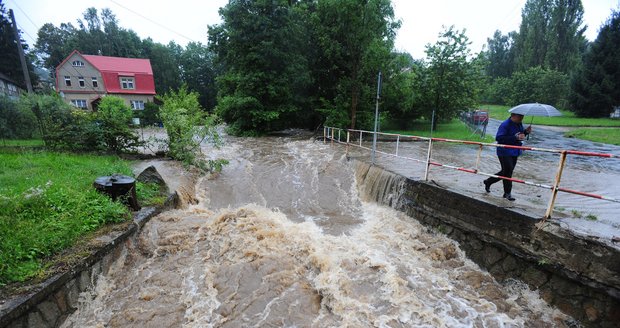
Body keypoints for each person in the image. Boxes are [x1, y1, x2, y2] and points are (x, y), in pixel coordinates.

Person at [483, 113, 532, 201]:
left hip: (515, 151)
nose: (521, 118)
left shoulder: (519, 124)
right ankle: (507, 193)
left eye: (522, 116)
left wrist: (525, 132)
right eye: (519, 116)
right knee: (508, 172)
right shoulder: (505, 124)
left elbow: (519, 136)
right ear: (513, 115)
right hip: (504, 151)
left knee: (506, 171)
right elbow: (499, 138)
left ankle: (488, 181)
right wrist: (515, 137)